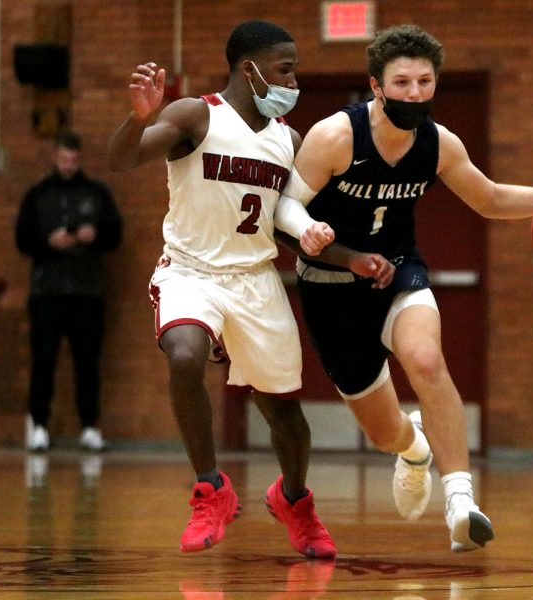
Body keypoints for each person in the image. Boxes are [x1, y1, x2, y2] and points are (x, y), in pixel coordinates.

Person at [272, 24, 533, 552]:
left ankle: (461, 502)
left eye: (425, 82)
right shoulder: (335, 136)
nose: (414, 93)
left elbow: (491, 198)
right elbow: (285, 207)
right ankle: (413, 450)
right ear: (376, 85)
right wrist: (311, 232)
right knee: (383, 433)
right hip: (332, 287)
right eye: (402, 82)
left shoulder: (437, 144)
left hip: (400, 272)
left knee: (426, 361)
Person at [107, 20, 339, 558]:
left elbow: (285, 218)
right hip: (190, 270)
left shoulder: (290, 140)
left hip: (255, 279)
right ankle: (211, 487)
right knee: (184, 354)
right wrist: (136, 119)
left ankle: (294, 499)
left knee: (285, 416)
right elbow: (122, 160)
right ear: (248, 68)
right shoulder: (196, 114)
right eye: (285, 68)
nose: (294, 79)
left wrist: (322, 239)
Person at [16, 131, 122, 453]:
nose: (68, 165)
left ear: (80, 159)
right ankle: (39, 426)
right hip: (46, 292)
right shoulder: (37, 195)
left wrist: (95, 236)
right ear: (55, 157)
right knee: (43, 360)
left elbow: (115, 235)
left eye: (73, 160)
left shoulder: (97, 193)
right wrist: (48, 243)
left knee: (87, 362)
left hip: (87, 292)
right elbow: (22, 239)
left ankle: (89, 427)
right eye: (63, 159)